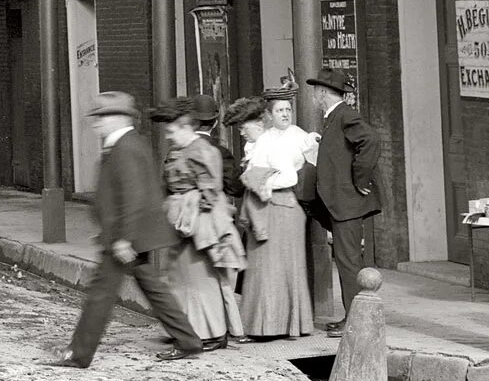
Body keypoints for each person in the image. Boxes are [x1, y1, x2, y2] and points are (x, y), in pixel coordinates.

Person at [66, 92, 218, 366]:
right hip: (125, 234)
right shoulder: (125, 144)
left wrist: (124, 238)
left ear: (119, 118)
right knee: (153, 289)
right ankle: (188, 341)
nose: (97, 123)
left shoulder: (125, 146)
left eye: (102, 117)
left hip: (126, 238)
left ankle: (79, 354)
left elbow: (135, 196)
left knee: (101, 294)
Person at [302, 66, 383, 335]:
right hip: (341, 203)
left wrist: (359, 181)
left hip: (347, 203)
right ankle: (352, 315)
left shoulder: (344, 115)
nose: (314, 96)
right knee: (347, 261)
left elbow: (370, 141)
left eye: (316, 91)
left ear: (323, 93)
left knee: (348, 263)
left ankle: (356, 320)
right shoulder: (334, 117)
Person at [237, 89, 320, 341]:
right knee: (266, 268)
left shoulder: (296, 136)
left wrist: (264, 184)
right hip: (269, 208)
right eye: (279, 110)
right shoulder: (265, 139)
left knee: (279, 268)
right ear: (269, 115)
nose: (285, 114)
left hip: (283, 207)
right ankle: (268, 325)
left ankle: (280, 326)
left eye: (288, 110)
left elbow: (291, 175)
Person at [157, 98, 241, 341]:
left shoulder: (203, 151)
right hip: (186, 223)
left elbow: (210, 191)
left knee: (200, 281)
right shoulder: (183, 150)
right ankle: (193, 331)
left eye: (173, 131)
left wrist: (186, 206)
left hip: (199, 225)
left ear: (187, 127)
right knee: (185, 279)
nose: (169, 136)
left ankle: (210, 334)